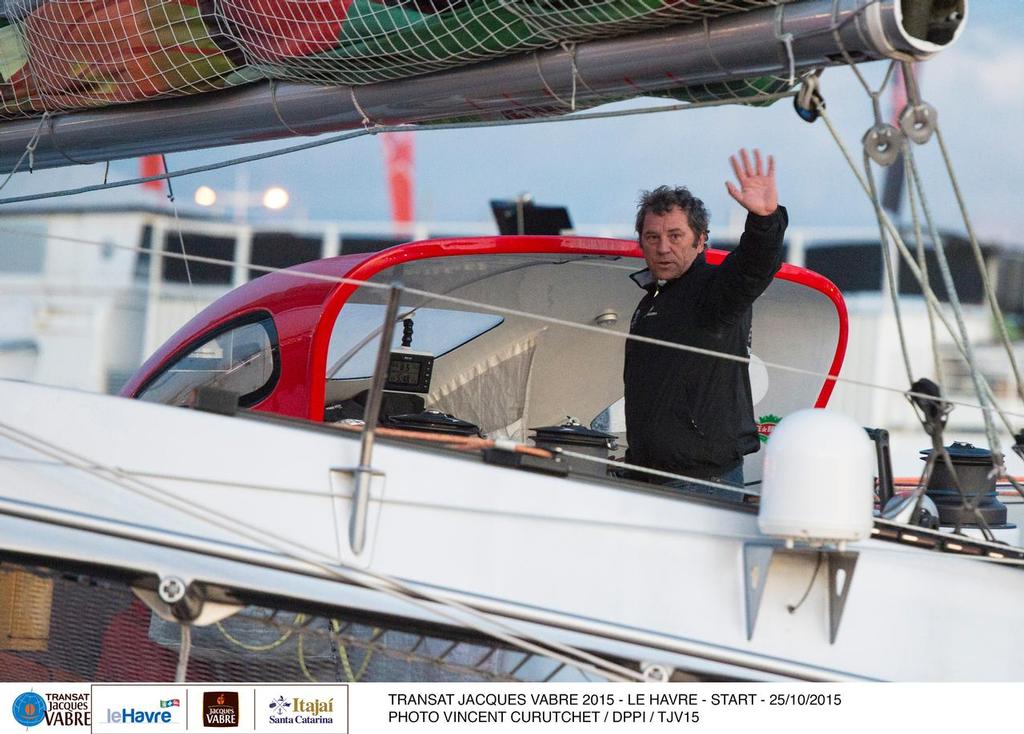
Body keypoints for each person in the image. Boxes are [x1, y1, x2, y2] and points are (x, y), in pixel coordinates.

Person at [623, 149, 787, 491]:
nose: (663, 248)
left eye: (675, 235)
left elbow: (753, 266)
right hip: (650, 479)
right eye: (652, 237)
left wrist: (765, 221)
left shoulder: (714, 291)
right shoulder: (652, 298)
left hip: (702, 481)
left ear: (701, 241)